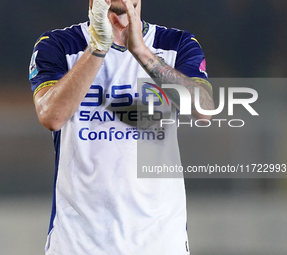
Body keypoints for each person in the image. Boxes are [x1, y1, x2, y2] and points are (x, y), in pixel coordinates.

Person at [29, 0, 214, 254]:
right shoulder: (58, 44)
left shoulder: (176, 44)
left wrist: (140, 51)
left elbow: (203, 108)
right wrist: (97, 47)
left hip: (159, 242)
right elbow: (52, 116)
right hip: (78, 243)